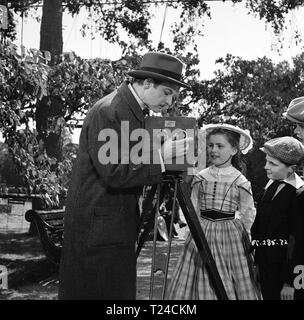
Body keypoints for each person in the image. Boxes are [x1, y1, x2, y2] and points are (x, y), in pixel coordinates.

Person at [58, 52, 192, 300]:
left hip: (113, 225)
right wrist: (161, 157)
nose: (170, 102)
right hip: (99, 228)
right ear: (148, 83)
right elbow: (116, 173)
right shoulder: (110, 110)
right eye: (167, 93)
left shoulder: (134, 111)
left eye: (174, 96)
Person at [166, 123, 261, 300]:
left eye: (220, 146)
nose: (213, 150)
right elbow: (193, 204)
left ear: (234, 150)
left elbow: (248, 211)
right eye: (211, 145)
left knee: (231, 277)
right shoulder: (201, 176)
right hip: (202, 230)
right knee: (199, 273)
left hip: (230, 234)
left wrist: (247, 235)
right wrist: (190, 229)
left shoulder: (240, 180)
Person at [251, 136, 304, 300]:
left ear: (291, 169)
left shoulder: (299, 195)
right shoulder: (271, 186)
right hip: (267, 270)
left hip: (286, 276)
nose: (266, 167)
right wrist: (258, 262)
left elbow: (301, 242)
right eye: (267, 161)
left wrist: (292, 283)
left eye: (273, 164)